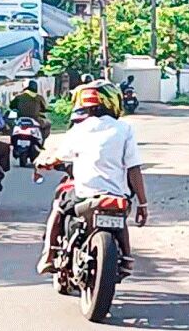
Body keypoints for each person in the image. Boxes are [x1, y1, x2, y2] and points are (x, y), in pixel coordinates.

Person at [35, 80, 148, 275]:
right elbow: (133, 168)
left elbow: (59, 156)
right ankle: (127, 258)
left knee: (59, 207)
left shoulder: (79, 129)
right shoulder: (125, 129)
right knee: (118, 218)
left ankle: (50, 254)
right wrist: (143, 204)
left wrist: (45, 163)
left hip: (84, 195)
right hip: (117, 196)